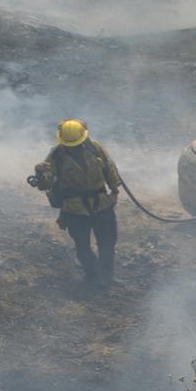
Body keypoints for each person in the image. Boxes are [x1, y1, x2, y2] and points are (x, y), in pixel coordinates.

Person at [28, 118, 122, 286]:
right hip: (74, 209)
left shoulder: (94, 148)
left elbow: (109, 167)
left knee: (107, 242)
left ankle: (106, 276)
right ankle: (92, 276)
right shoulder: (56, 155)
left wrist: (114, 189)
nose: (75, 147)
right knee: (82, 245)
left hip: (101, 203)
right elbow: (47, 182)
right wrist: (41, 176)